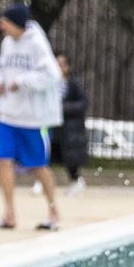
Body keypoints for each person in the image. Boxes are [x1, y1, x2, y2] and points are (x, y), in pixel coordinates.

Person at [0, 3, 64, 231]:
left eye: (4, 22)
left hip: (32, 118)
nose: (1, 27)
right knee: (3, 161)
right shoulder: (7, 43)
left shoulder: (37, 43)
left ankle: (53, 211)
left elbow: (52, 74)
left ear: (15, 23)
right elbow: (1, 69)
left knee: (38, 165)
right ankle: (9, 214)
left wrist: (22, 82)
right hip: (8, 114)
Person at [57, 53, 91, 191]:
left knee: (70, 156)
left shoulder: (74, 82)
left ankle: (75, 179)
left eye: (60, 65)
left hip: (70, 125)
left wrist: (64, 108)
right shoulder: (49, 82)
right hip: (53, 122)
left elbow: (84, 102)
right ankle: (40, 180)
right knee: (47, 151)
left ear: (67, 67)